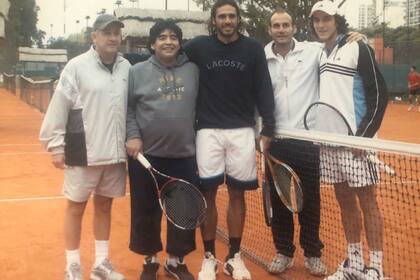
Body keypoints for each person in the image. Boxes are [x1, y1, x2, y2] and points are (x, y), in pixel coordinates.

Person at [183, 1, 275, 279]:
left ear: (238, 19)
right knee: (207, 194)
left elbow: (264, 89)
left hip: (242, 132)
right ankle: (209, 257)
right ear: (214, 20)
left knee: (237, 194)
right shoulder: (198, 46)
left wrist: (267, 127)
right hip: (207, 131)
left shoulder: (253, 49)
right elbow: (169, 53)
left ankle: (235, 255)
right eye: (222, 16)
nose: (227, 21)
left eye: (231, 16)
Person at [39, 14, 130, 280]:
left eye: (116, 33)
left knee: (104, 206)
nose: (113, 38)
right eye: (107, 33)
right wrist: (55, 145)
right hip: (83, 152)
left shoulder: (126, 67)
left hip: (114, 155)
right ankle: (72, 266)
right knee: (75, 207)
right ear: (94, 37)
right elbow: (59, 106)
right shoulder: (76, 67)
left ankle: (101, 265)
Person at [309, 1, 388, 280]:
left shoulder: (359, 47)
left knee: (368, 202)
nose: (321, 24)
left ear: (336, 21)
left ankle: (375, 267)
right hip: (328, 143)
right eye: (316, 20)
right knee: (344, 201)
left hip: (357, 144)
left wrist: (363, 138)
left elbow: (379, 96)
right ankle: (354, 264)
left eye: (326, 19)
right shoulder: (318, 54)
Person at [125, 20, 199, 280]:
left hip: (184, 155)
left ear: (180, 43)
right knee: (146, 210)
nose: (168, 41)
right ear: (153, 43)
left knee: (182, 213)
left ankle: (176, 262)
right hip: (146, 157)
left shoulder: (193, 70)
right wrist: (132, 136)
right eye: (162, 37)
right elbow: (129, 109)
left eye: (173, 37)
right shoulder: (136, 71)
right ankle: (150, 261)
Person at [264, 8, 326, 276]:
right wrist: (261, 133)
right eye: (276, 25)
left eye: (285, 24)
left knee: (310, 201)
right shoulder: (261, 58)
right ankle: (284, 252)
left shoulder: (313, 51)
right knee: (280, 202)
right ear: (269, 30)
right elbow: (257, 96)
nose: (281, 29)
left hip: (307, 140)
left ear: (294, 28)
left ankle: (313, 254)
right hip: (275, 140)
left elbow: (336, 45)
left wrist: (352, 37)